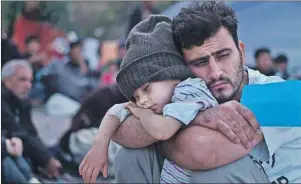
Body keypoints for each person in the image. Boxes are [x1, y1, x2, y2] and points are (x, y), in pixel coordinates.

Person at [110, 1, 300, 183]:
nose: (215, 72)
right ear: (184, 67)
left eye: (223, 55)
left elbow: (197, 152)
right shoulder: (189, 90)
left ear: (241, 52)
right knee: (131, 155)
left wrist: (166, 128)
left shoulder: (281, 95)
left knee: (213, 173)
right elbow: (119, 129)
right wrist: (199, 117)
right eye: (200, 62)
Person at [79, 15, 222, 183]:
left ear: (173, 74)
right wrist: (99, 146)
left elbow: (163, 131)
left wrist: (140, 112)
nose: (143, 101)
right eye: (136, 97)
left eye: (147, 88)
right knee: (125, 154)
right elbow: (116, 110)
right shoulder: (158, 100)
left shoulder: (191, 89)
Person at [1, 59, 63, 179]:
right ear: (6, 80)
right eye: (22, 80)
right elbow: (15, 131)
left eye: (30, 81)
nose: (28, 85)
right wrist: (45, 159)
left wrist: (47, 157)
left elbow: (31, 133)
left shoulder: (21, 102)